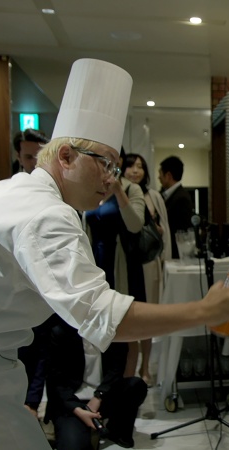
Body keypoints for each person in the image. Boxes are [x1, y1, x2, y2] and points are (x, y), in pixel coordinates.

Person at [0, 58, 229, 450]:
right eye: (105, 164)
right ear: (65, 156)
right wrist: (205, 310)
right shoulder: (46, 213)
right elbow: (104, 317)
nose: (111, 179)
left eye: (116, 167)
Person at [84, 149, 148, 383]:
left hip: (122, 263)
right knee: (101, 322)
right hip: (96, 259)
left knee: (124, 321)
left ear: (119, 160)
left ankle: (126, 383)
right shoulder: (90, 187)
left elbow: (135, 225)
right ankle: (105, 382)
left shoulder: (131, 189)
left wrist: (119, 191)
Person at [45, 316, 146, 449]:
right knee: (73, 446)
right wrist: (78, 410)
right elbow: (56, 382)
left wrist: (99, 396)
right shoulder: (60, 333)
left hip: (103, 396)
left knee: (136, 385)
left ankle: (116, 431)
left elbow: (116, 369)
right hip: (72, 403)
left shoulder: (111, 331)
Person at [121, 153, 171, 385]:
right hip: (126, 261)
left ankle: (146, 367)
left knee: (148, 314)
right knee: (128, 314)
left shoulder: (153, 196)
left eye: (140, 167)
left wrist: (166, 257)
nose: (135, 171)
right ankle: (131, 365)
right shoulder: (120, 193)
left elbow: (164, 228)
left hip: (149, 261)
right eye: (131, 166)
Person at [159, 155, 194, 259]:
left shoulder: (181, 198)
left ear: (168, 175)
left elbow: (181, 230)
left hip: (176, 254)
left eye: (160, 173)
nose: (158, 177)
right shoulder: (169, 195)